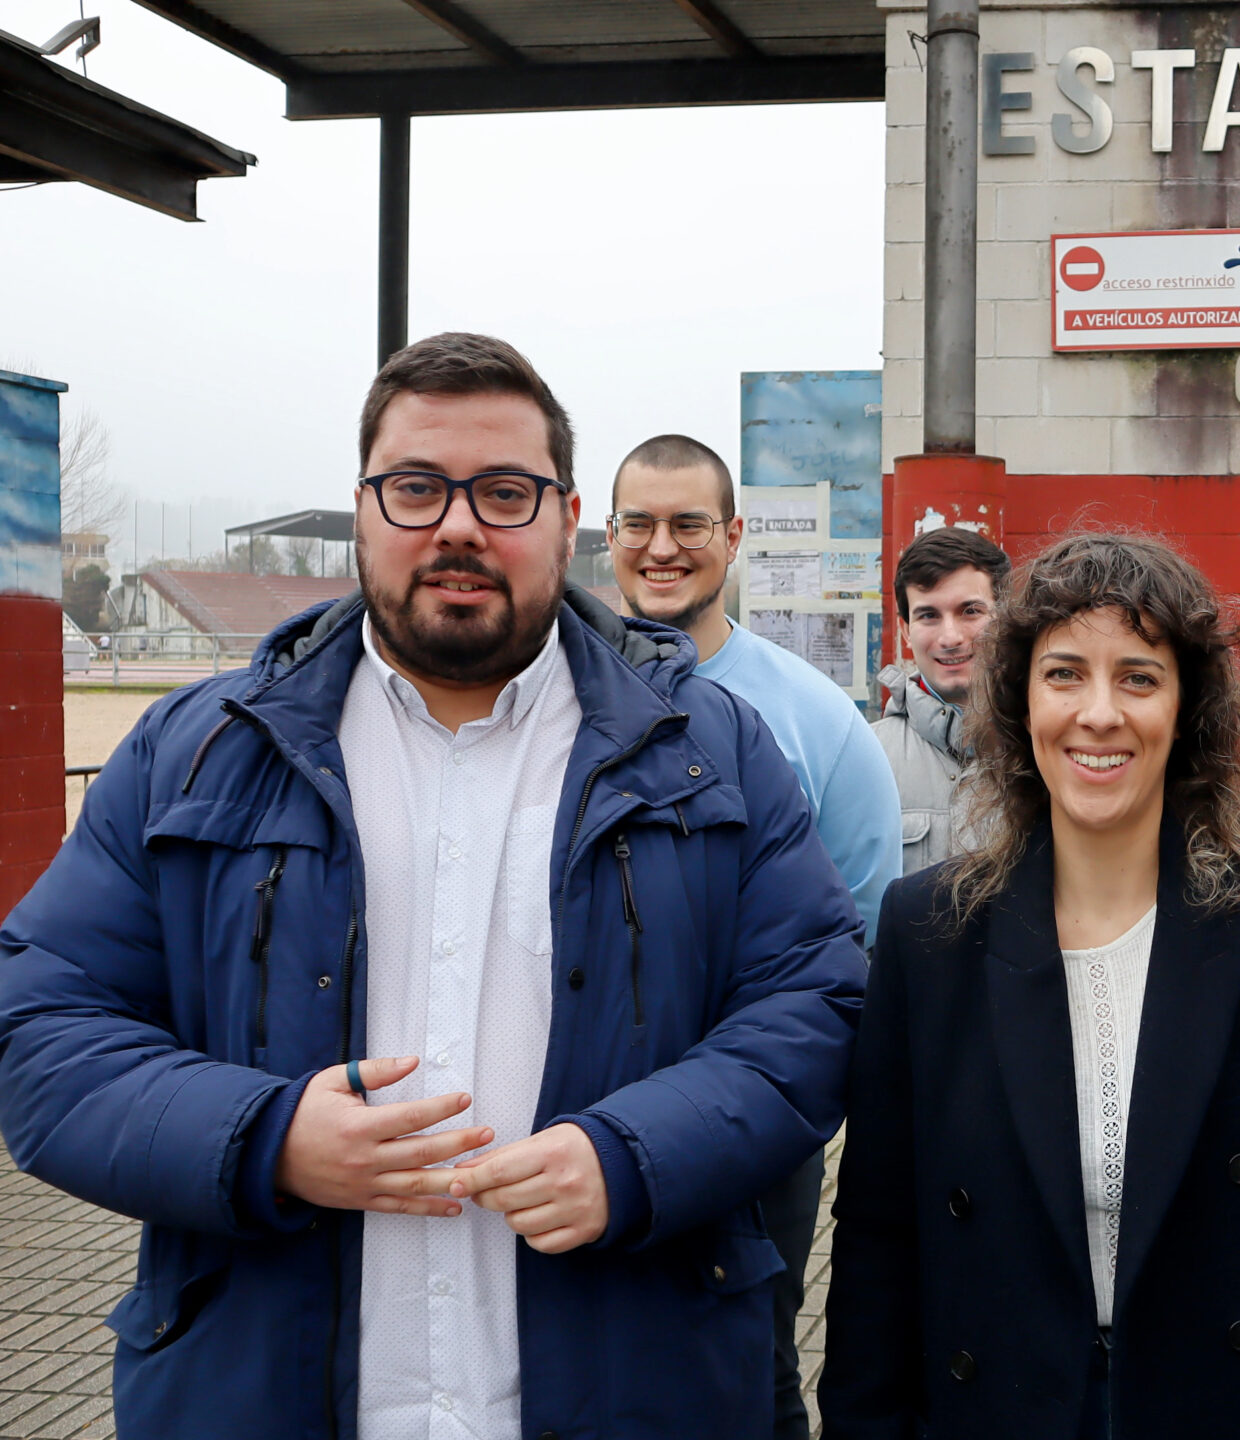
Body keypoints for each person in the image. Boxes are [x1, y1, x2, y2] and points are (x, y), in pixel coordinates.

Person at [0, 333, 863, 1439]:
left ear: (564, 520)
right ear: (363, 508)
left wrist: (637, 1156)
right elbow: (43, 1036)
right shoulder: (194, 751)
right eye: (417, 488)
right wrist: (261, 1139)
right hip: (258, 1393)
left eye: (504, 492)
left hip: (636, 1386)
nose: (458, 524)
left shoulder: (712, 749)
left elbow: (814, 1007)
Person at [821, 531, 1240, 1440]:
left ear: (1186, 709)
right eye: (1064, 674)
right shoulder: (928, 930)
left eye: (1138, 677)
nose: (1099, 713)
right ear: (1019, 701)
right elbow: (876, 1243)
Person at [606, 430, 901, 1440]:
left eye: (689, 523)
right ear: (605, 536)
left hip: (756, 1128)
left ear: (732, 538)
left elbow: (861, 939)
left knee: (752, 1371)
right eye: (638, 523)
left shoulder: (818, 722)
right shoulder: (542, 699)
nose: (662, 546)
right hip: (580, 1107)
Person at [875, 525, 1011, 872]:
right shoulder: (866, 756)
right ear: (906, 631)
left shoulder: (1047, 747)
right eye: (929, 615)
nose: (950, 637)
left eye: (970, 611)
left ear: (1006, 617)